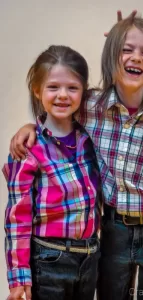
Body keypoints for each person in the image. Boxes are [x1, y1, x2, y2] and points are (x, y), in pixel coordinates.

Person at [9, 14, 143, 300]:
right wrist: (30, 126)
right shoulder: (92, 107)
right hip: (113, 229)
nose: (136, 57)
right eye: (126, 49)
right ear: (113, 58)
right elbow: (58, 109)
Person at [2, 45, 102, 300]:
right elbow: (17, 218)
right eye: (53, 87)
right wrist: (18, 277)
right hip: (49, 260)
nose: (63, 95)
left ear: (83, 93)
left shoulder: (90, 139)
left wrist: (117, 41)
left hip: (90, 257)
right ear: (37, 90)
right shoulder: (28, 149)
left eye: (72, 88)